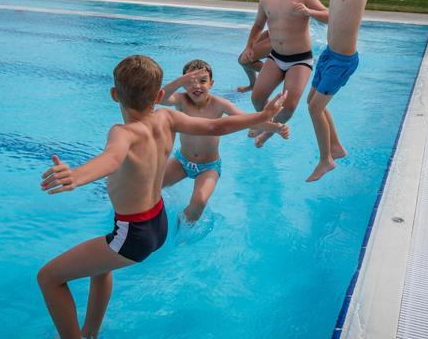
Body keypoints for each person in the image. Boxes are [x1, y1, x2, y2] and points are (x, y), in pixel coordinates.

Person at [37, 55, 287, 339]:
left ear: (114, 95)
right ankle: (91, 333)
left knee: (48, 278)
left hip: (133, 233)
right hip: (157, 224)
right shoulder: (167, 118)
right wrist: (261, 117)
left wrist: (77, 176)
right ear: (158, 95)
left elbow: (112, 158)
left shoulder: (123, 132)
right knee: (101, 268)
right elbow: (217, 127)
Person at [286, 0, 425, 181]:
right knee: (312, 103)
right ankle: (335, 147)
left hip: (344, 61)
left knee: (315, 108)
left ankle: (325, 159)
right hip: (328, 55)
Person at [159, 60, 289, 222]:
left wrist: (274, 127)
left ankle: (180, 231)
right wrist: (179, 81)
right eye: (190, 82)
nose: (196, 86)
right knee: (152, 187)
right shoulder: (181, 100)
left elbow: (246, 119)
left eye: (202, 81)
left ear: (211, 84)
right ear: (184, 85)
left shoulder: (219, 104)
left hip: (208, 167)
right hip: (182, 161)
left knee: (198, 202)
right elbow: (160, 98)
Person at [242, 0, 329, 148]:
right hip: (276, 57)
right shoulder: (267, 0)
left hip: (299, 60)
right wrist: (250, 46)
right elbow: (258, 25)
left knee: (289, 106)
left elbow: (329, 15)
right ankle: (267, 122)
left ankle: (267, 133)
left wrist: (309, 12)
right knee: (257, 97)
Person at [237, 0, 278, 93]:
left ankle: (279, 74)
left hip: (282, 36)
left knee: (245, 60)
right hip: (271, 32)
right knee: (243, 59)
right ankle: (254, 84)